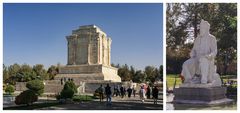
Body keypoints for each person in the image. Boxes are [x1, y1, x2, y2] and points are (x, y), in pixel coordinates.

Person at [181, 19, 220, 85]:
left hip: (207, 59)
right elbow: (193, 49)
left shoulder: (212, 38)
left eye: (202, 28)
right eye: (200, 28)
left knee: (203, 60)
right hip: (196, 58)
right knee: (185, 64)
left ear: (206, 29)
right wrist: (192, 53)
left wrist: (210, 55)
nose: (201, 30)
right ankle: (189, 79)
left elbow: (214, 50)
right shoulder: (197, 39)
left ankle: (204, 80)